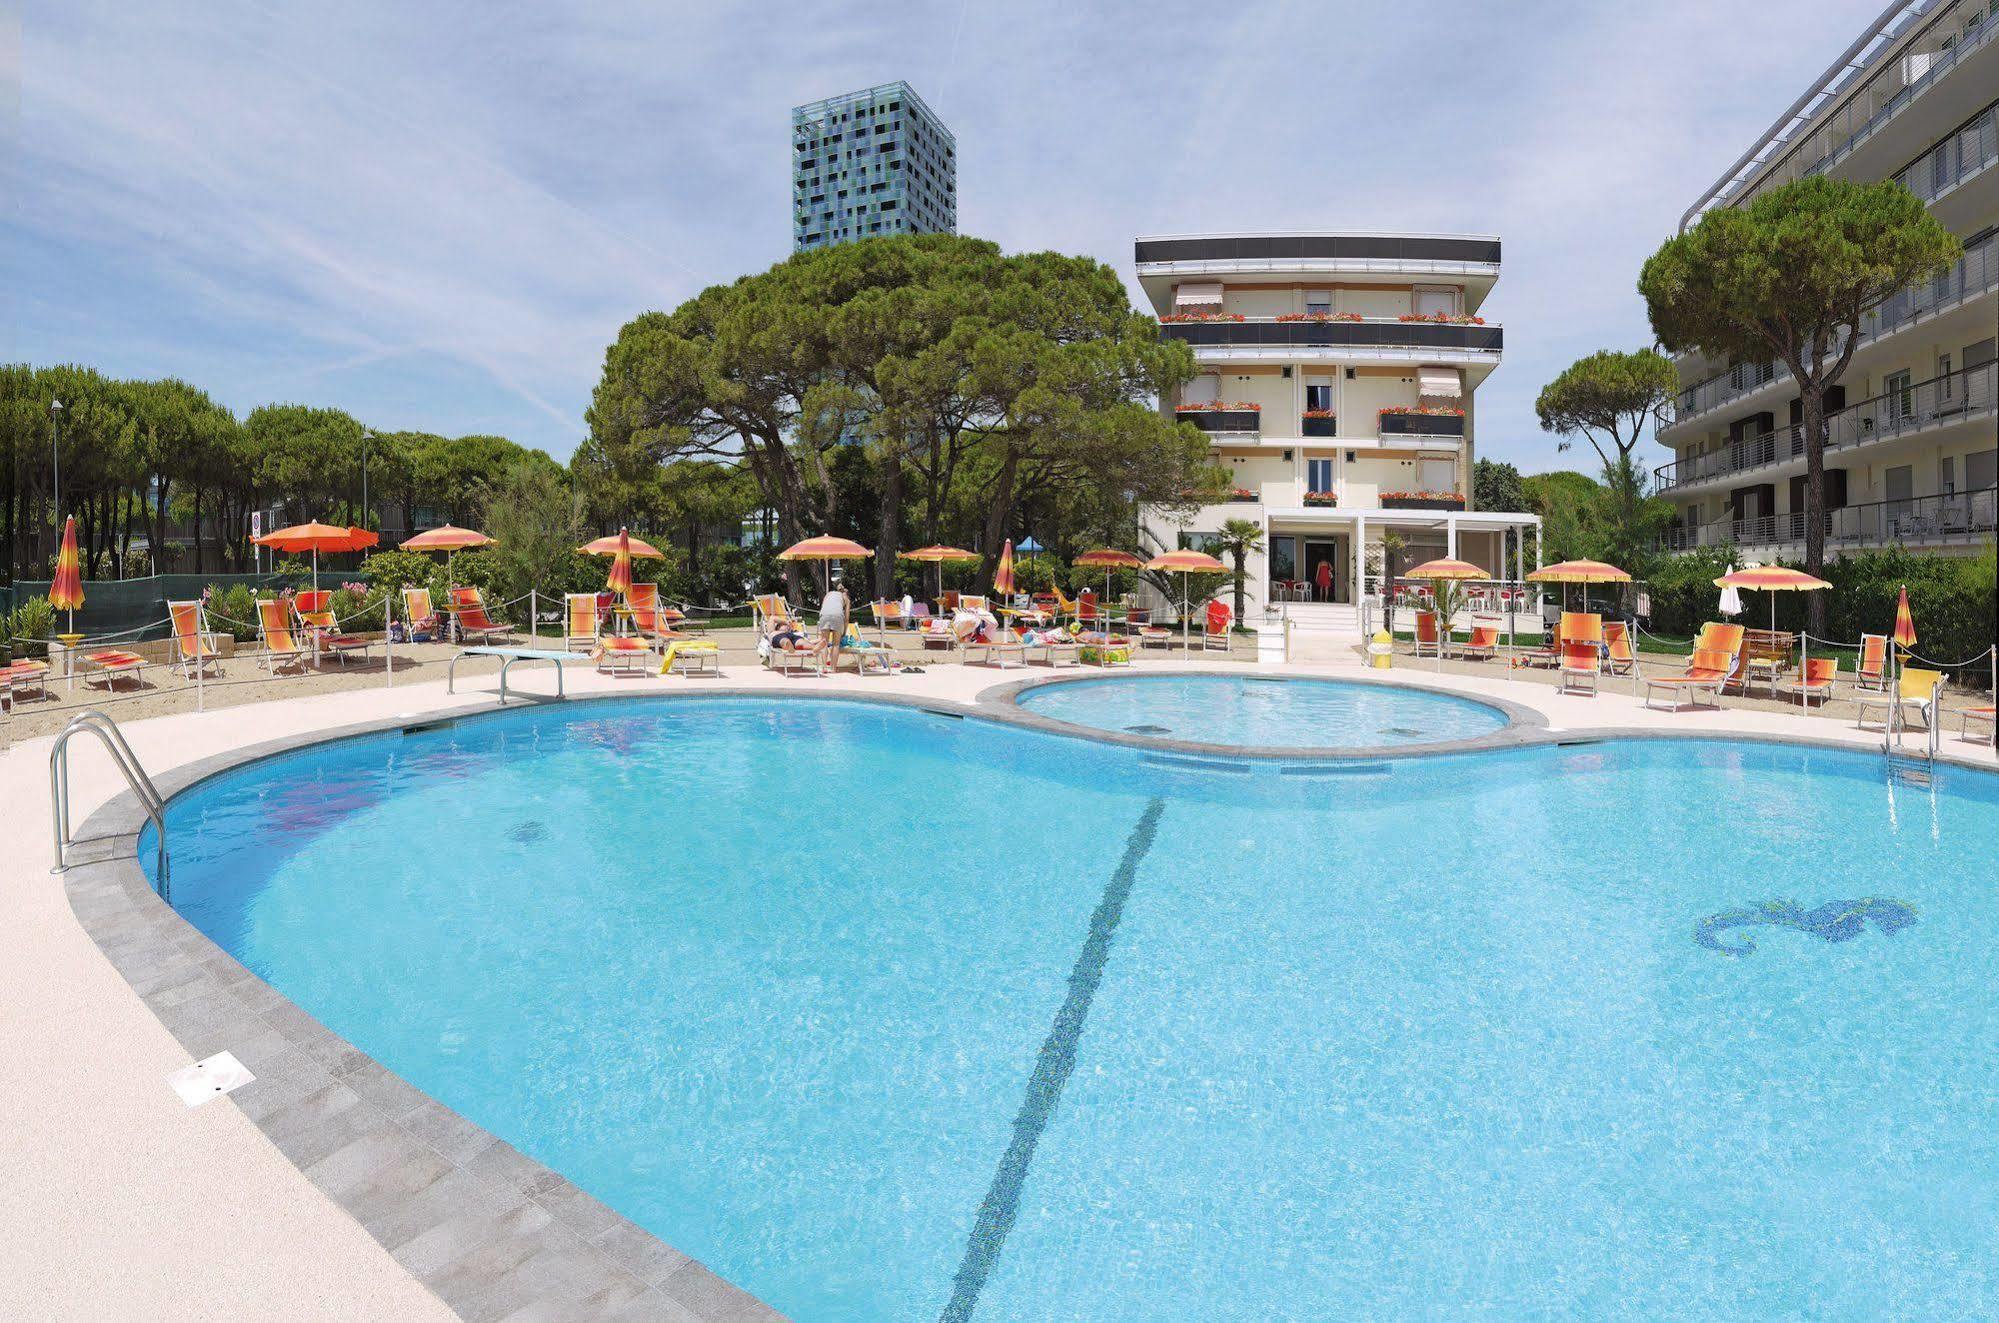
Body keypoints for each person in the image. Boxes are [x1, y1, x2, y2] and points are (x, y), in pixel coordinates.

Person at [818, 582, 849, 668]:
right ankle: (833, 668)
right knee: (836, 644)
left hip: (824, 614)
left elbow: (823, 606)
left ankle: (824, 666)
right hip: (837, 615)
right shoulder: (846, 598)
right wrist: (844, 631)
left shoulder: (828, 594)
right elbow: (846, 618)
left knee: (824, 643)